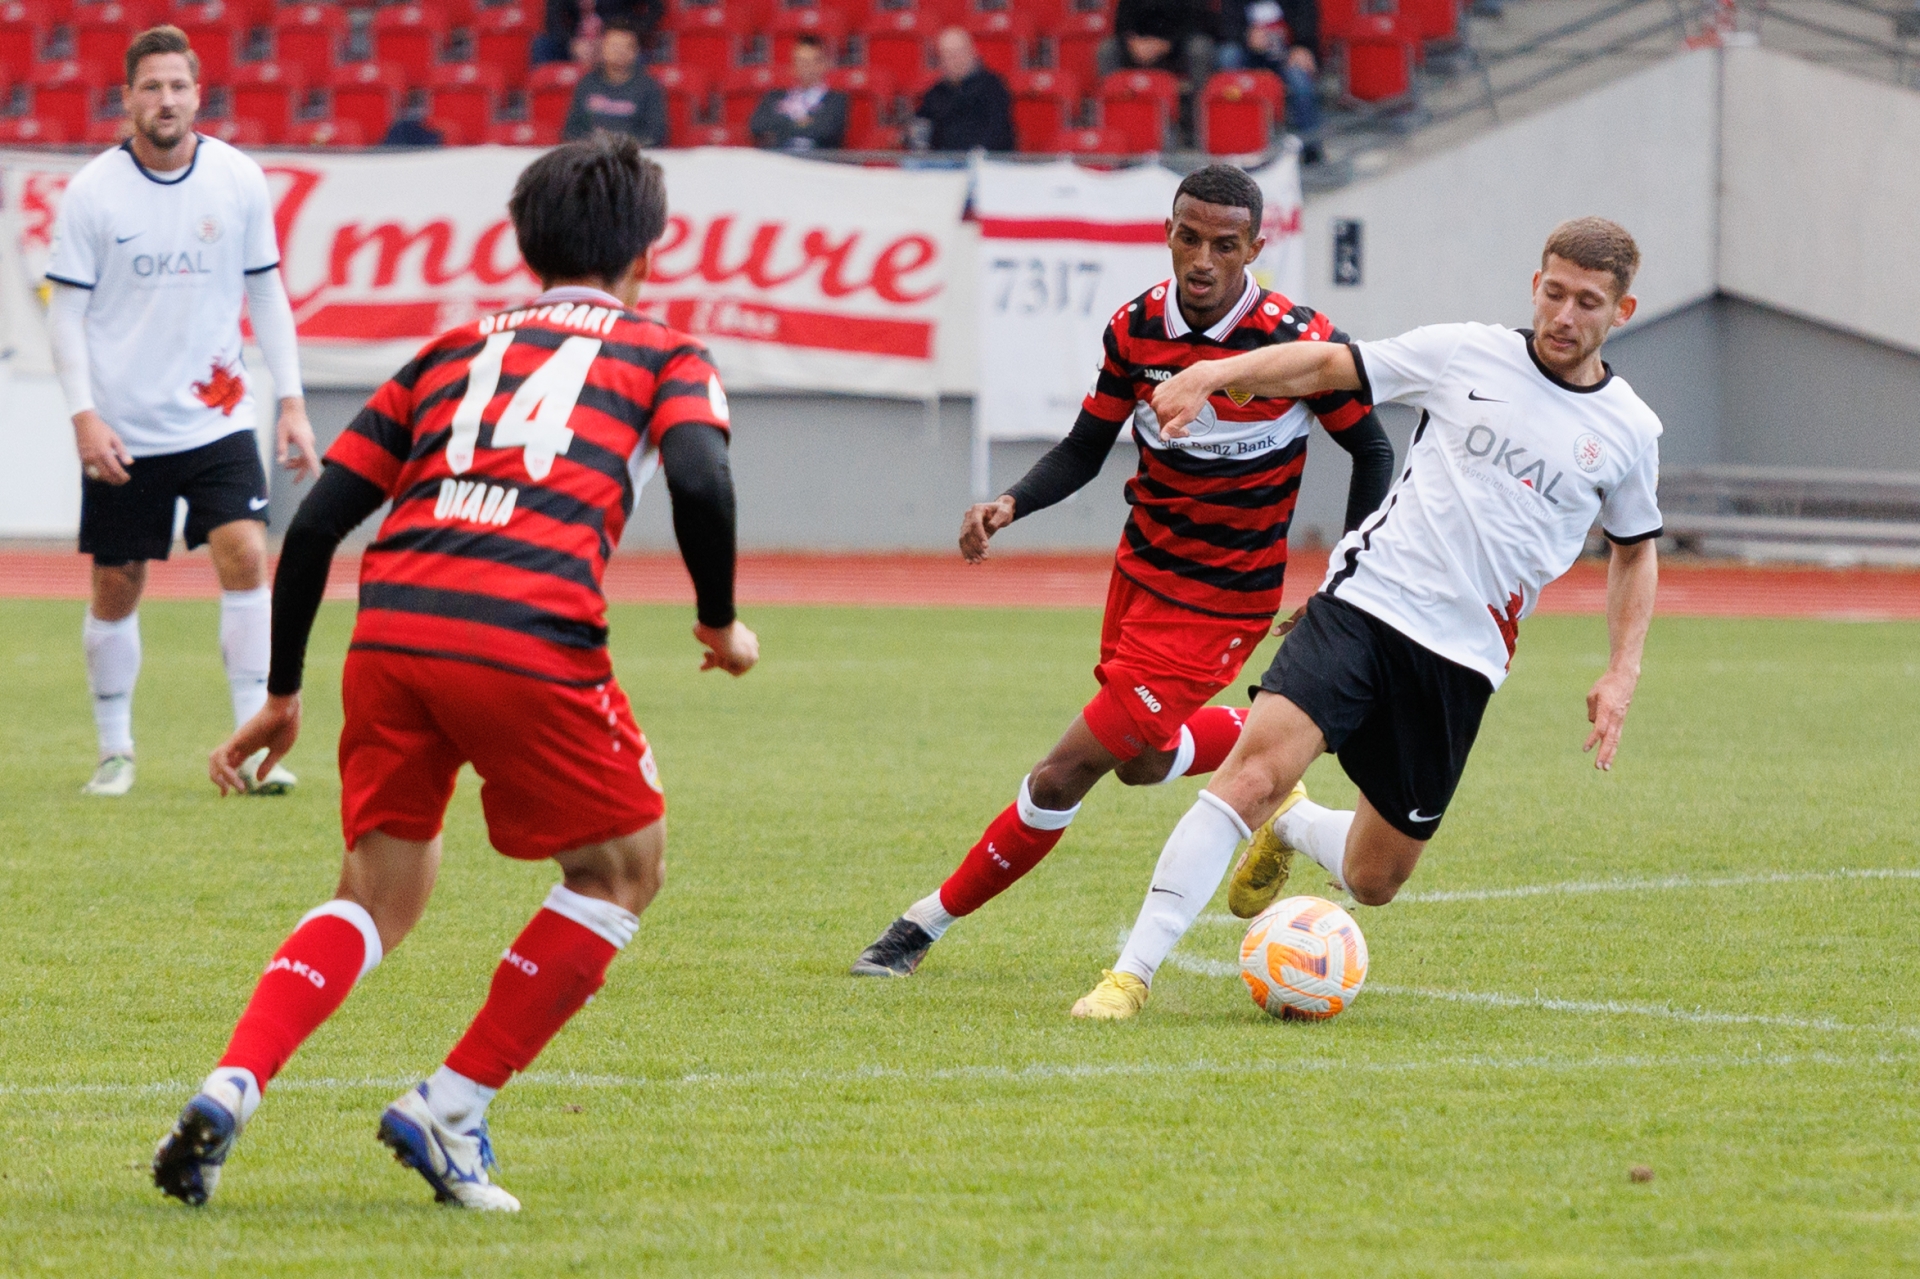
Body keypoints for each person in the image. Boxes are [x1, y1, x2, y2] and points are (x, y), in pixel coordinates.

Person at [151, 134, 760, 1211]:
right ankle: (451, 1106)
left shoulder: (447, 351)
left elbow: (317, 524)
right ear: (645, 254)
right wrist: (719, 622)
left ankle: (231, 1082)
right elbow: (703, 479)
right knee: (622, 868)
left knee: (375, 892)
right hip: (525, 629)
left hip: (393, 631)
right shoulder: (666, 352)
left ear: (528, 248)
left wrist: (282, 692)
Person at [1072, 217, 1662, 1019]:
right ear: (1535, 285)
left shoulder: (1629, 430)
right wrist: (1218, 372)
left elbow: (1634, 550)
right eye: (1553, 293)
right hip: (1366, 605)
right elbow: (1328, 363)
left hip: (1463, 658)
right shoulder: (1466, 352)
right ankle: (1129, 976)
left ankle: (1294, 825)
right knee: (1250, 776)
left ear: (1622, 311)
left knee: (1375, 877)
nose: (1564, 315)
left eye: (1587, 302)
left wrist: (1623, 670)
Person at [851, 164, 1394, 980]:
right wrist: (1010, 502)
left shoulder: (1296, 339)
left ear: (1255, 247)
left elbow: (1373, 449)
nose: (1202, 259)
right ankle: (1280, 771)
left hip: (1222, 601)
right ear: (1167, 232)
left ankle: (921, 925)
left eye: (1224, 245)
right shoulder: (1136, 327)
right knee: (1140, 760)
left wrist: (1345, 575)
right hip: (1140, 576)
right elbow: (1084, 448)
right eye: (1188, 237)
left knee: (1062, 772)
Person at [46, 25, 317, 800]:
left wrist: (291, 400)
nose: (165, 100)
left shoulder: (237, 179)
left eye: (178, 86)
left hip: (217, 413)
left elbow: (267, 291)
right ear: (127, 97)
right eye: (151, 87)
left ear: (199, 95)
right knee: (118, 583)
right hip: (124, 426)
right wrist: (84, 415)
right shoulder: (93, 192)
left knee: (246, 554)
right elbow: (66, 315)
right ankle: (115, 750)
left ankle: (250, 746)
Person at [1220, 0, 1323, 147]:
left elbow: (1307, 19)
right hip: (1248, 52)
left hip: (1286, 53)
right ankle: (1233, 137)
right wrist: (1246, 35)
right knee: (1228, 55)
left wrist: (1302, 46)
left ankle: (1311, 146)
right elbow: (1226, 24)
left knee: (1300, 81)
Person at [563, 20, 669, 146]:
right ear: (602, 48)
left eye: (626, 46)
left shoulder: (649, 87)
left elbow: (655, 133)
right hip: (592, 153)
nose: (620, 52)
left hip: (632, 154)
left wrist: (622, 148)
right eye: (614, 46)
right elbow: (572, 130)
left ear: (635, 51)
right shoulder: (587, 84)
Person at [913, 27, 1014, 153]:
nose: (955, 60)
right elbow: (921, 127)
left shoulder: (993, 87)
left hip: (983, 158)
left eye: (959, 53)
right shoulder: (935, 93)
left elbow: (998, 131)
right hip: (942, 159)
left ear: (972, 52)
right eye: (948, 56)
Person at [749, 35, 847, 152]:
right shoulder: (774, 95)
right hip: (779, 158)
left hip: (816, 160)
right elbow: (757, 125)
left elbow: (825, 131)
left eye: (810, 62)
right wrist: (802, 123)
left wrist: (780, 126)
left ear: (823, 65)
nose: (804, 67)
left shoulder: (836, 99)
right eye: (800, 61)